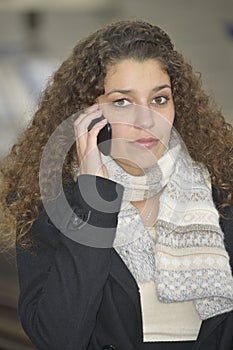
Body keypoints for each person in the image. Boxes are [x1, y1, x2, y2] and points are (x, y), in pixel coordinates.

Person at [0, 20, 233, 350]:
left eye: (159, 99)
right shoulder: (52, 206)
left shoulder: (221, 196)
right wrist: (96, 196)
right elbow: (58, 337)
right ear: (90, 114)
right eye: (123, 102)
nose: (146, 120)